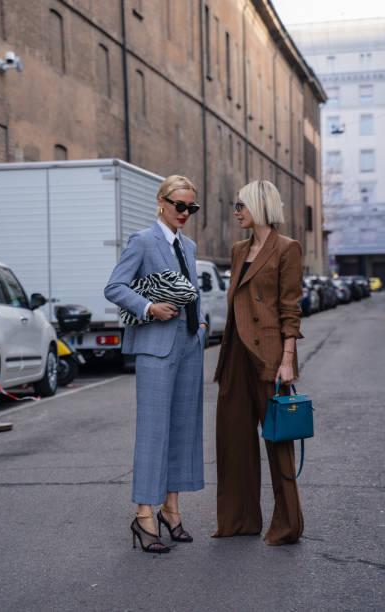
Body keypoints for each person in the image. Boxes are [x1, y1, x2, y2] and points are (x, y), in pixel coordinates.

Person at [104, 175, 207, 554]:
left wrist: (200, 323)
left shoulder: (190, 246)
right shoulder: (143, 241)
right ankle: (144, 515)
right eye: (179, 205)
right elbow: (115, 286)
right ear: (162, 202)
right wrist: (148, 307)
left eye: (191, 208)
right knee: (153, 432)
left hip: (189, 345)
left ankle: (172, 510)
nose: (185, 213)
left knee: (183, 429)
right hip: (156, 347)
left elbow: (190, 290)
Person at [213, 179, 304, 545]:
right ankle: (239, 520)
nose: (236, 212)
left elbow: (290, 309)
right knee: (232, 439)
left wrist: (287, 360)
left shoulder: (287, 248)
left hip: (269, 355)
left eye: (241, 206)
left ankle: (287, 525)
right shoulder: (238, 250)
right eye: (235, 206)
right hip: (235, 353)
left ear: (260, 206)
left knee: (278, 441)